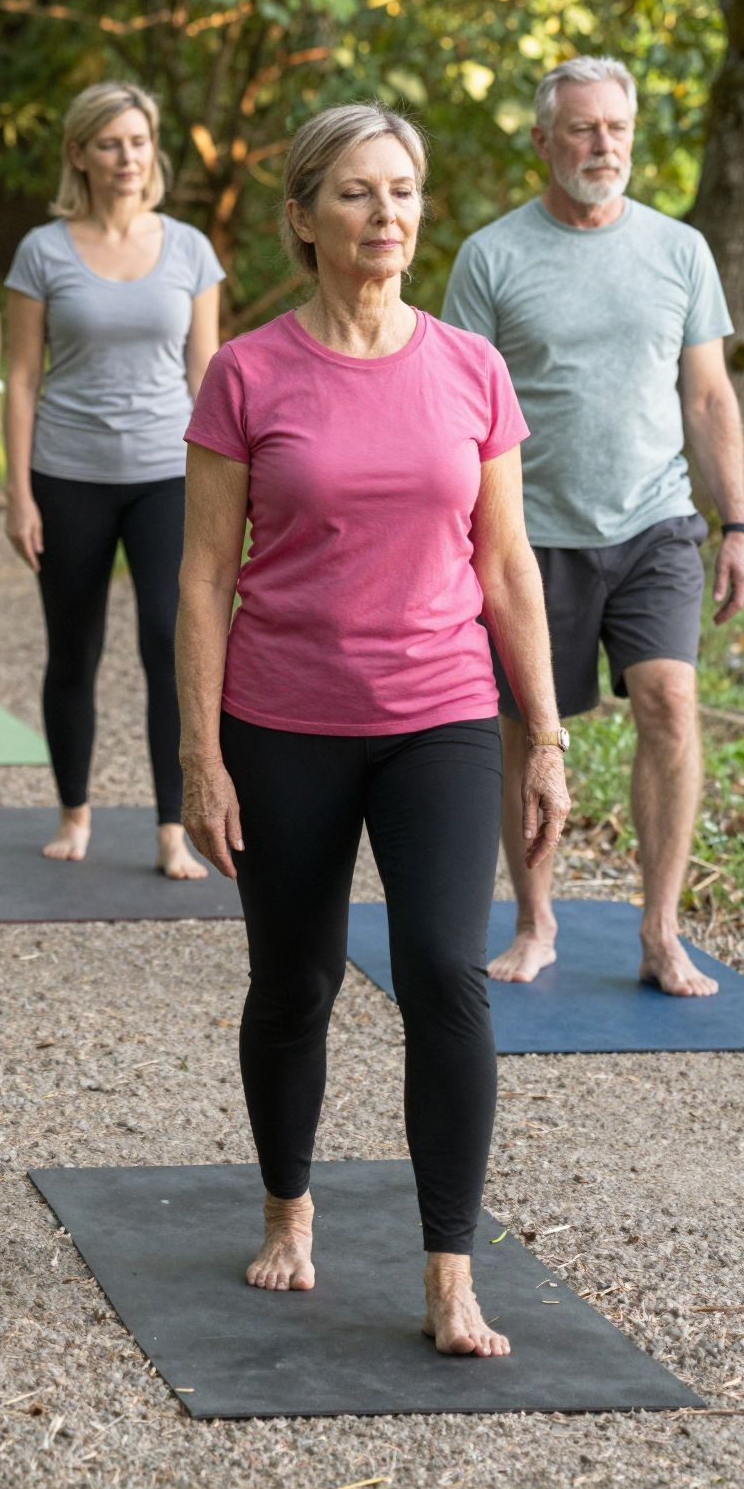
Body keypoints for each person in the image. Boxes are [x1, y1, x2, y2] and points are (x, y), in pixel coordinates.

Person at [178, 103, 571, 1358]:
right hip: (283, 714)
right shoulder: (248, 371)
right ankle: (289, 1207)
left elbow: (506, 566)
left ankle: (450, 1269)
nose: (386, 213)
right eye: (356, 192)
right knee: (292, 982)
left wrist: (547, 733)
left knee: (447, 974)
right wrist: (199, 754)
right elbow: (199, 576)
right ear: (303, 217)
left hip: (441, 712)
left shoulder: (471, 366)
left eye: (402, 189)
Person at [443, 55, 744, 996]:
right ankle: (536, 924)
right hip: (528, 536)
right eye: (581, 128)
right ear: (544, 141)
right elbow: (456, 409)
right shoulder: (491, 256)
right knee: (527, 728)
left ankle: (660, 933)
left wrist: (735, 521)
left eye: (615, 127)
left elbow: (707, 397)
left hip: (657, 523)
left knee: (668, 701)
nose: (602, 144)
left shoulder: (679, 249)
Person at [3, 83, 223, 877]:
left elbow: (207, 372)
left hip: (168, 473)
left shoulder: (191, 249)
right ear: (80, 155)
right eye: (109, 143)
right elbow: (22, 378)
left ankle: (172, 824)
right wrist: (18, 492)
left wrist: (228, 486)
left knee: (172, 642)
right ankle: (75, 810)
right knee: (74, 648)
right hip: (68, 473)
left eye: (138, 141)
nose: (127, 157)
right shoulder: (44, 251)